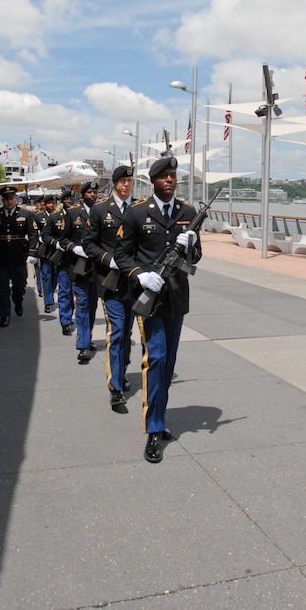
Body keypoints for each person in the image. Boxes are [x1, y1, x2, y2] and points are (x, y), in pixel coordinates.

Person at [114, 156, 202, 463]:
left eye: (173, 175)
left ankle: (160, 417)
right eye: (163, 176)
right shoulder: (138, 213)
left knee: (168, 362)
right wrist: (140, 273)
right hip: (149, 297)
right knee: (157, 358)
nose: (169, 180)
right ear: (153, 181)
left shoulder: (188, 212)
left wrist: (190, 244)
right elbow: (122, 255)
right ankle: (153, 429)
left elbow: (196, 257)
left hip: (176, 297)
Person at [84, 165, 135, 407]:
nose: (126, 184)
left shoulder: (140, 209)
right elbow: (89, 244)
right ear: (114, 183)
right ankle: (115, 386)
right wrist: (109, 259)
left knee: (128, 332)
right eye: (122, 181)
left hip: (135, 283)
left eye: (129, 180)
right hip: (110, 282)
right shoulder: (100, 210)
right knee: (117, 332)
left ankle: (122, 370)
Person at [0, 186, 39, 327]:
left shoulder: (25, 214)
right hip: (1, 255)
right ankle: (4, 314)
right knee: (2, 288)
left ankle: (18, 301)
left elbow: (33, 233)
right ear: (2, 200)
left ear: (16, 198)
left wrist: (32, 252)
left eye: (11, 198)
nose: (9, 201)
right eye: (6, 199)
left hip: (19, 256)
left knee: (19, 286)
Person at [59, 181, 99, 364]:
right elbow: (63, 239)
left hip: (98, 268)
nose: (92, 195)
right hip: (79, 266)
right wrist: (75, 248)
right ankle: (83, 345)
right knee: (82, 304)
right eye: (89, 192)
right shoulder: (73, 213)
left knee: (92, 306)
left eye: (94, 192)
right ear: (83, 195)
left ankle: (88, 337)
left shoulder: (101, 212)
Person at [42, 189, 75, 335]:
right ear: (62, 201)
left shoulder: (79, 215)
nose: (69, 201)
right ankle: (66, 321)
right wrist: (57, 244)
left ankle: (70, 314)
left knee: (76, 293)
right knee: (64, 290)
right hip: (62, 259)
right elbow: (45, 236)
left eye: (71, 199)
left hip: (78, 259)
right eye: (66, 199)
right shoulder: (55, 217)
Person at [34, 194, 57, 313]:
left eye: (53, 203)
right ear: (44, 204)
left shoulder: (59, 216)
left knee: (55, 277)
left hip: (57, 251)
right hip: (45, 250)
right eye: (49, 203)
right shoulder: (38, 217)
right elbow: (34, 233)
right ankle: (48, 301)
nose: (52, 205)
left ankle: (50, 293)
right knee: (46, 275)